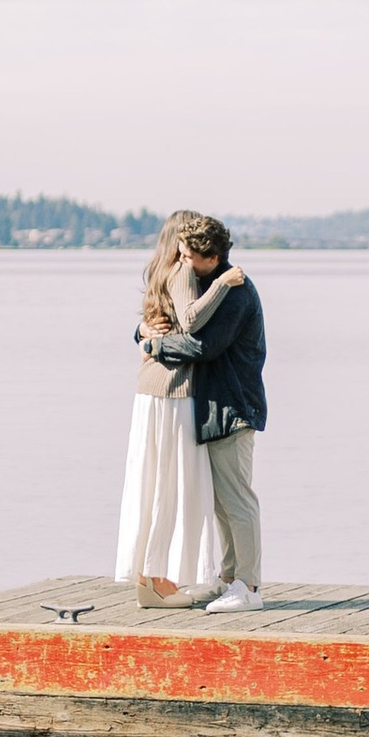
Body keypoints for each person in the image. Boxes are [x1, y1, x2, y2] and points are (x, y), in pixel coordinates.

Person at [142, 212, 267, 612]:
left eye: (188, 256)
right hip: (212, 408)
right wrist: (143, 332)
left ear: (210, 258)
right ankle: (228, 578)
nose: (181, 261)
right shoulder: (210, 283)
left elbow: (203, 347)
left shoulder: (236, 291)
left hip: (234, 406)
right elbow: (173, 320)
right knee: (220, 503)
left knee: (237, 501)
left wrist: (154, 347)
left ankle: (248, 588)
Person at [114, 213, 225, 609]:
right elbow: (193, 328)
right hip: (174, 391)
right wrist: (225, 285)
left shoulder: (158, 273)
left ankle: (149, 576)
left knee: (151, 481)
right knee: (171, 484)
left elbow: (155, 327)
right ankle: (156, 578)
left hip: (149, 389)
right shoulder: (183, 273)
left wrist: (144, 336)